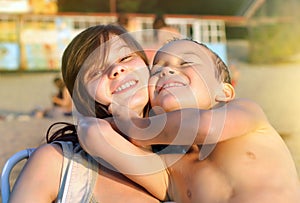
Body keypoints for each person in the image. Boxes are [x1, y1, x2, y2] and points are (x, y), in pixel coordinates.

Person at [78, 39, 300, 202]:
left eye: (185, 63)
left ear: (224, 92)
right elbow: (92, 132)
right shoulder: (170, 168)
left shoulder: (247, 114)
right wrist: (120, 108)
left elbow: (207, 127)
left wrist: (138, 127)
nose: (166, 71)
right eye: (156, 71)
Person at [9, 24, 165, 202]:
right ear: (82, 95)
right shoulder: (57, 162)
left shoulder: (187, 150)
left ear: (147, 65)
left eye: (126, 57)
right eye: (97, 71)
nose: (116, 69)